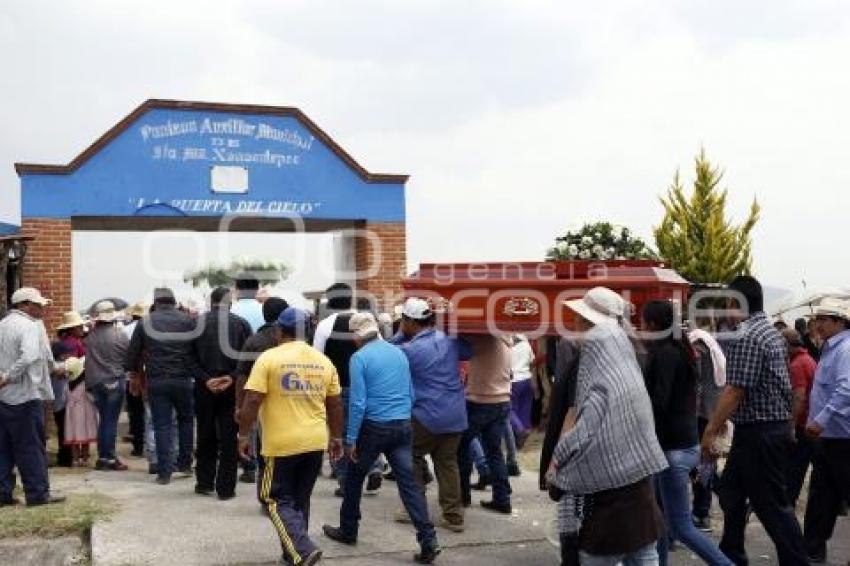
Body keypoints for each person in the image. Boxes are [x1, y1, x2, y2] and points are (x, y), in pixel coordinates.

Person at [548, 287, 667, 566]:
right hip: (641, 501)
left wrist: (556, 461)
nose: (575, 324)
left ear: (588, 326)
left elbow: (583, 430)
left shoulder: (598, 371)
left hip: (607, 513)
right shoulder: (628, 362)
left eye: (579, 318)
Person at [700, 275, 808, 566]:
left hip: (760, 433)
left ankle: (797, 561)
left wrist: (710, 430)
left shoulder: (747, 334)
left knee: (772, 506)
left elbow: (736, 390)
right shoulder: (770, 331)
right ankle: (731, 554)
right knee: (731, 493)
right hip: (762, 430)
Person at [322, 312, 441, 564]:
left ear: (356, 336)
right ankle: (428, 539)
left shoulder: (359, 358)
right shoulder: (398, 352)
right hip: (402, 425)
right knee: (409, 485)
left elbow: (357, 402)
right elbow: (410, 392)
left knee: (353, 479)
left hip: (374, 427)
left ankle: (348, 529)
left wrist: (351, 438)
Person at [239, 307, 343, 566]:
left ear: (278, 331)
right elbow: (335, 404)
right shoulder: (323, 361)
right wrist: (337, 438)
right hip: (314, 442)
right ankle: (293, 553)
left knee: (272, 497)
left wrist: (242, 434)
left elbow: (252, 398)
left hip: (281, 444)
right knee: (299, 500)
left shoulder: (269, 358)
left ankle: (303, 549)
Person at [641, 301, 733, 566]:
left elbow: (660, 401)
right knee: (658, 519)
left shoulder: (665, 354)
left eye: (645, 322)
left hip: (671, 450)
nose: (641, 327)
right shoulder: (677, 350)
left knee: (680, 526)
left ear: (655, 325)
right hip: (677, 446)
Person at [391, 298, 472, 532]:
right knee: (447, 464)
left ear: (408, 321)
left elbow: (386, 351)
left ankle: (413, 509)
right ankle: (454, 516)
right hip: (455, 415)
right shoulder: (450, 341)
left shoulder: (408, 349)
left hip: (425, 416)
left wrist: (399, 333)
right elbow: (469, 349)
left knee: (410, 458)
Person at [126, 287, 204, 485]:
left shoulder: (145, 322)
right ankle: (185, 463)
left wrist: (135, 376)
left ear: (156, 302)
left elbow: (132, 355)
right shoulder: (188, 321)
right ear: (174, 301)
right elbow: (197, 350)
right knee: (186, 420)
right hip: (183, 379)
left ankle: (164, 472)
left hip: (157, 379)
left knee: (162, 425)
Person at [313, 283, 384, 495]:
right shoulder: (368, 321)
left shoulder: (325, 326)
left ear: (330, 301)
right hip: (368, 386)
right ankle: (374, 468)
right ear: (351, 299)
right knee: (368, 428)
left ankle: (345, 481)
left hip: (339, 387)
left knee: (341, 433)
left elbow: (318, 360)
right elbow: (379, 352)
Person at [0, 287, 65, 506]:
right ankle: (37, 493)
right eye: (38, 304)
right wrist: (9, 376)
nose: (42, 308)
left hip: (5, 397)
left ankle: (3, 493)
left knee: (4, 447)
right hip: (25, 395)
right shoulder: (29, 326)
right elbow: (29, 357)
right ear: (25, 304)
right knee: (31, 447)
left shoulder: (3, 325)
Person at [802, 299, 850, 563]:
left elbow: (846, 389)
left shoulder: (846, 349)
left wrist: (820, 419)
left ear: (839, 321)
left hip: (843, 438)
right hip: (828, 438)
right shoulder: (831, 348)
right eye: (817, 319)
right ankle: (812, 550)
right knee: (822, 498)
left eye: (823, 319)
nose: (817, 325)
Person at [193, 287, 252, 500]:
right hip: (231, 389)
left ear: (211, 302)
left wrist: (205, 378)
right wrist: (232, 377)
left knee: (205, 434)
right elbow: (248, 359)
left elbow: (187, 357)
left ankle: (204, 482)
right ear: (230, 302)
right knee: (229, 438)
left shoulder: (197, 323)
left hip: (204, 387)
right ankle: (226, 488)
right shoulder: (241, 325)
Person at [234, 296, 288, 487]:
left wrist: (239, 405)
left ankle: (252, 470)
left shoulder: (253, 341)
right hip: (288, 400)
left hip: (256, 398)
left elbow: (241, 376)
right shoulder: (294, 342)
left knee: (257, 439)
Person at [457, 333, 514, 514]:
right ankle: (502, 498)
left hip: (479, 400)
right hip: (502, 400)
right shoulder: (507, 339)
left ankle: (462, 496)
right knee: (494, 452)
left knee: (462, 447)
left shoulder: (480, 338)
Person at [539, 336, 580, 565]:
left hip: (577, 459)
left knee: (566, 529)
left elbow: (572, 413)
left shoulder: (577, 354)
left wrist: (556, 461)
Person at [688, 324, 726, 532]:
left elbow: (698, 385)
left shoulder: (699, 349)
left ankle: (702, 513)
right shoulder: (711, 348)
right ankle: (725, 495)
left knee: (701, 466)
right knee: (705, 465)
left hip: (701, 416)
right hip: (711, 414)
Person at [85, 301, 129, 471]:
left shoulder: (90, 336)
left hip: (96, 382)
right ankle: (108, 457)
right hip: (114, 380)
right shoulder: (120, 335)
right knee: (110, 421)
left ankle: (103, 456)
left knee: (104, 420)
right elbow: (128, 358)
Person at [782, 328, 818, 507]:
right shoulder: (807, 359)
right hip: (810, 420)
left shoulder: (797, 365)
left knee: (795, 467)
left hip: (803, 423)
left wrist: (792, 426)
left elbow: (799, 397)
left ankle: (788, 501)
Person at [507, 333, 536, 475]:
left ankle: (519, 431)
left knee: (510, 409)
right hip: (527, 379)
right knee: (524, 409)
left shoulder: (509, 347)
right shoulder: (526, 345)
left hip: (514, 380)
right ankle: (522, 436)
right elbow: (532, 360)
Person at [122, 303, 147, 457]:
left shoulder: (125, 330)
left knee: (136, 412)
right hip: (148, 375)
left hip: (132, 376)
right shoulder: (149, 329)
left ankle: (138, 446)